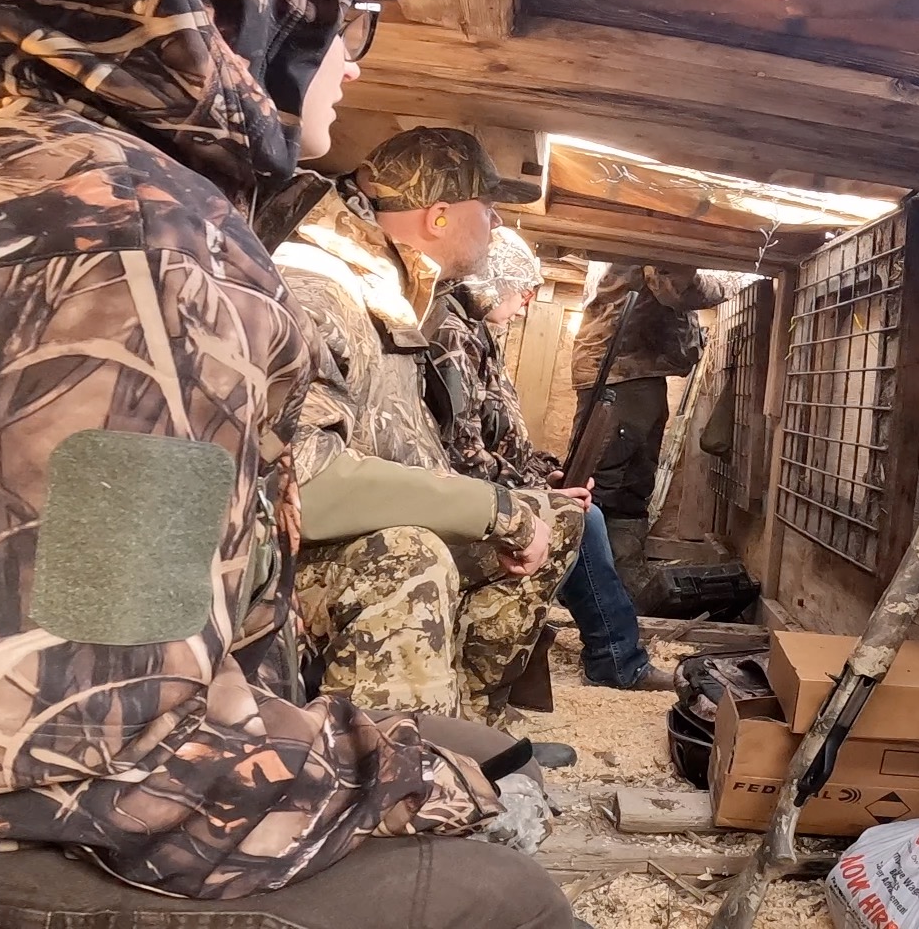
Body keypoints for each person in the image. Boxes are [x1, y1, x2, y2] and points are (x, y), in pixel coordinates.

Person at [0, 0, 568, 928]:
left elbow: (86, 617)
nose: (356, 72)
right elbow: (56, 734)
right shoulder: (120, 238)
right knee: (491, 895)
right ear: (216, 27)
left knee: (473, 753)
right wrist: (405, 790)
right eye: (340, 31)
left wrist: (392, 761)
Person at [276, 128, 587, 726]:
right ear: (440, 216)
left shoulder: (395, 292)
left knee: (556, 519)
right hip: (290, 561)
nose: (495, 226)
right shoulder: (319, 287)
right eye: (488, 211)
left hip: (360, 526)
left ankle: (467, 730)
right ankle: (397, 775)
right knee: (408, 555)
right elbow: (301, 485)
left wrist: (518, 504)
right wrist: (496, 510)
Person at [430, 228, 672, 692]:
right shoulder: (451, 335)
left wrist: (545, 472)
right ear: (493, 279)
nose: (526, 302)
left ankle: (616, 656)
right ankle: (617, 659)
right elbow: (460, 455)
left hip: (487, 484)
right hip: (462, 494)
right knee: (583, 518)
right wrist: (538, 491)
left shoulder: (478, 333)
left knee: (585, 512)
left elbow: (502, 436)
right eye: (523, 289)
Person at [571, 264, 745, 580]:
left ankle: (618, 577)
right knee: (601, 482)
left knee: (631, 480)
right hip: (621, 371)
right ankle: (584, 581)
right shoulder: (654, 235)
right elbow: (677, 290)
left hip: (631, 370)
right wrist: (742, 276)